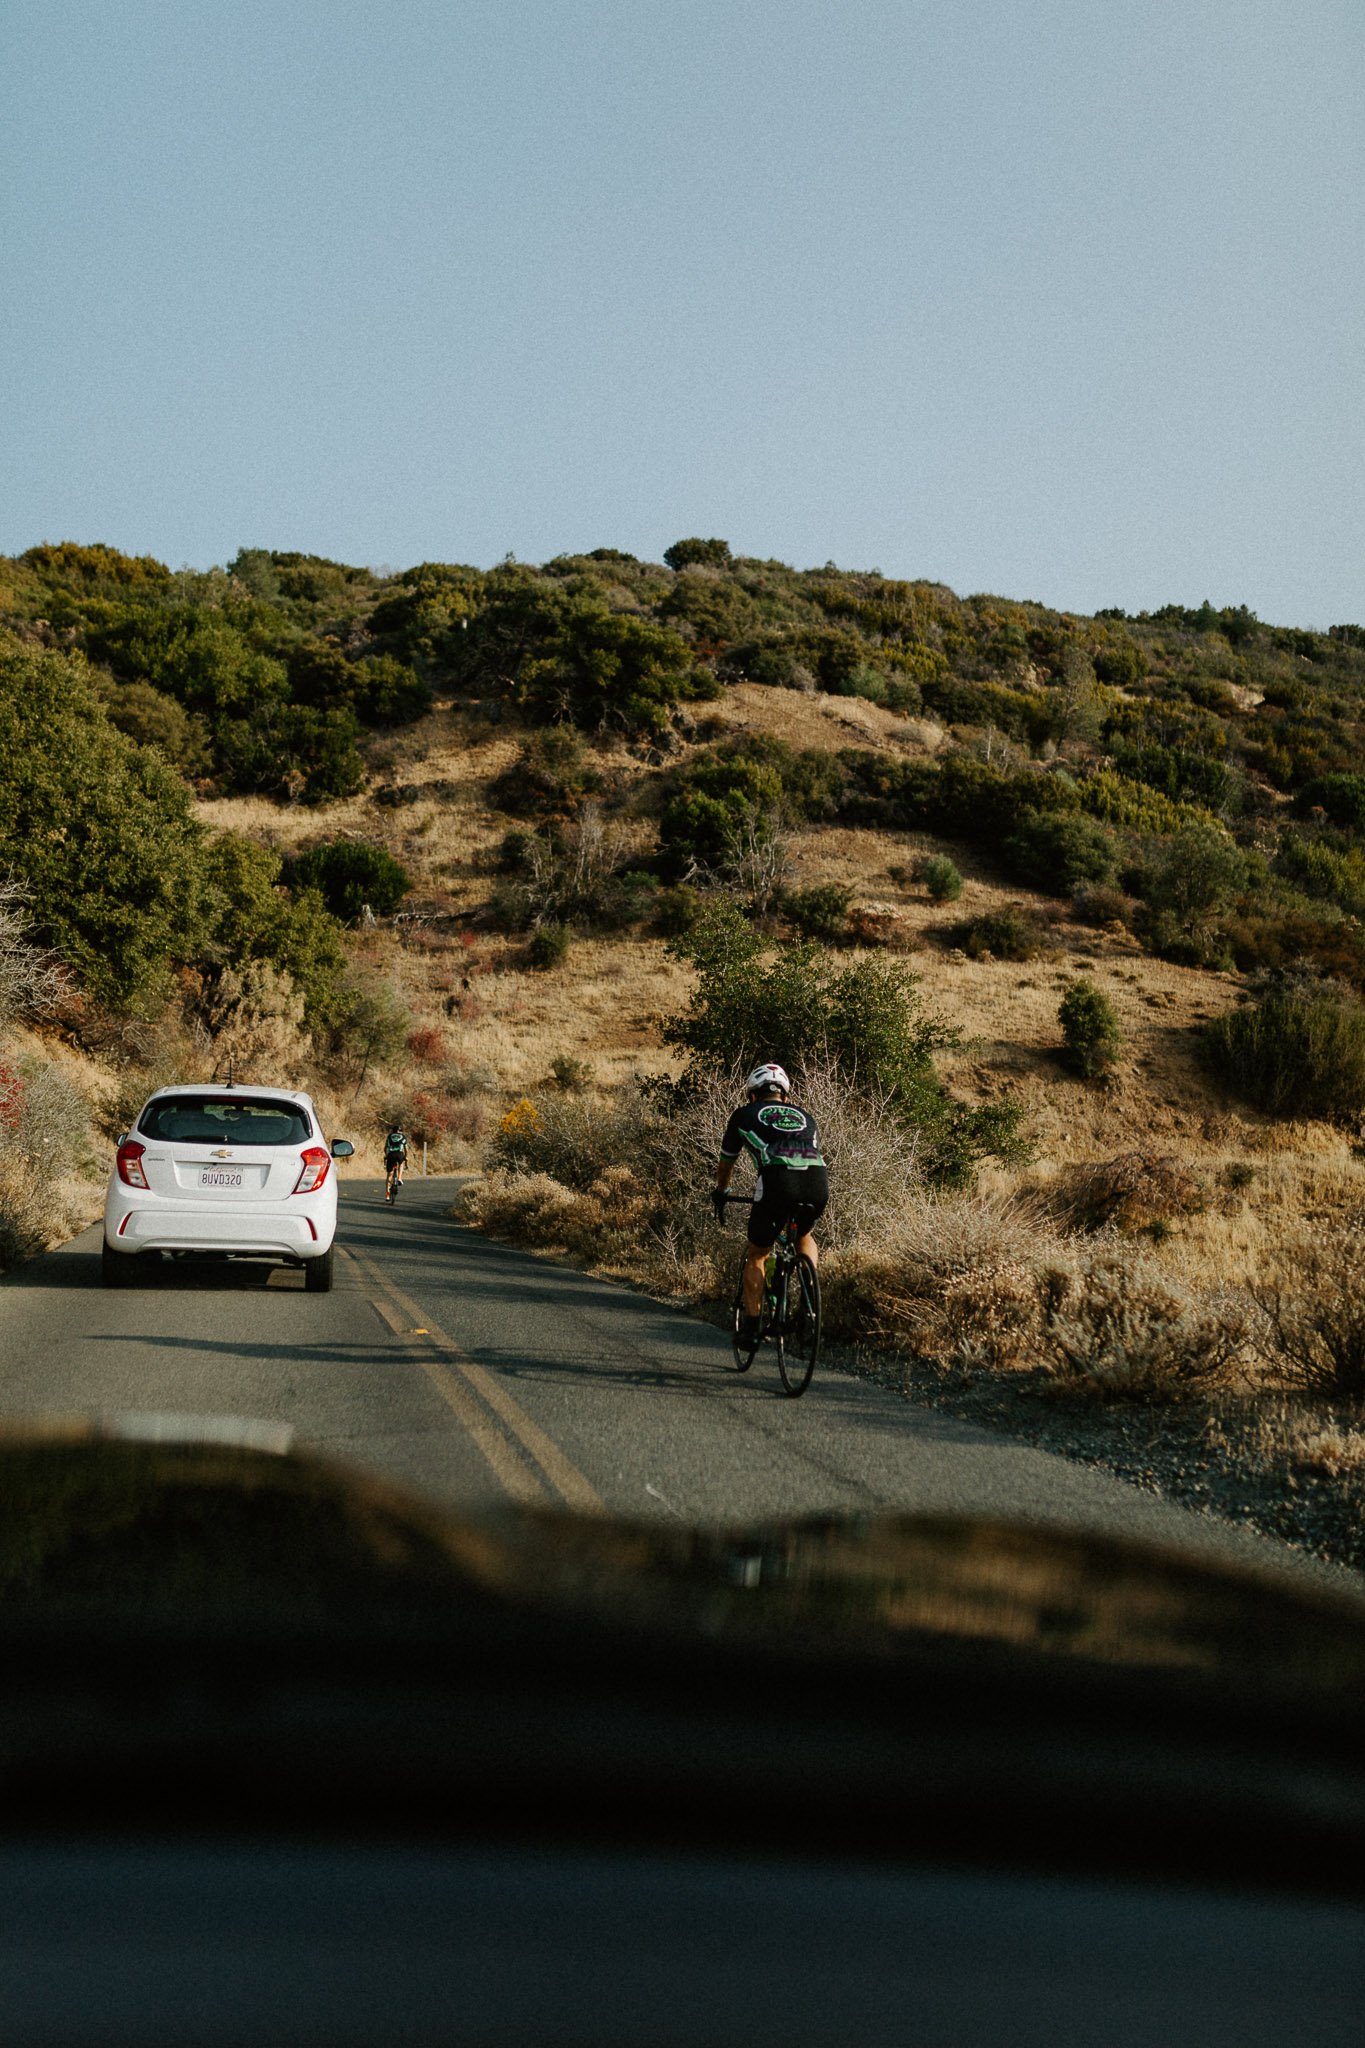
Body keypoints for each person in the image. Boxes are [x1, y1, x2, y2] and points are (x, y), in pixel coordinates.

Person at [711, 1063, 827, 1344]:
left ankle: (751, 1328)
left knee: (758, 1253)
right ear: (786, 1097)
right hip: (817, 1180)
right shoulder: (806, 1116)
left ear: (752, 1095)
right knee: (804, 1235)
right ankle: (810, 1308)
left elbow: (726, 1164)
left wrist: (722, 1191)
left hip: (777, 1180)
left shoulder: (743, 1115)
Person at [383, 1124, 409, 1201]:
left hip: (391, 1155)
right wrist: (406, 1156)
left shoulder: (389, 1136)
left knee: (389, 1175)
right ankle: (400, 1178)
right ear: (400, 1131)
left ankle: (387, 1195)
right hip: (399, 1154)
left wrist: (386, 1155)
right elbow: (406, 1149)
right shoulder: (403, 1137)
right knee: (401, 1164)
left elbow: (385, 1148)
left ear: (393, 1131)